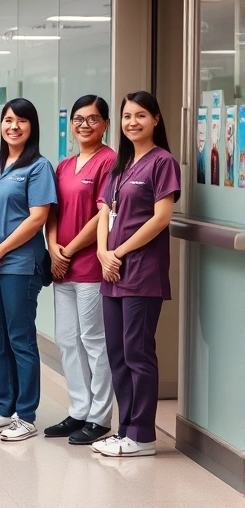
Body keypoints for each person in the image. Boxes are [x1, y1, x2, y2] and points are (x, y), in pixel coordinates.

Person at [92, 91, 180, 458]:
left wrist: (119, 252)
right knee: (117, 353)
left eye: (141, 115)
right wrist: (102, 253)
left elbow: (161, 219)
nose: (132, 122)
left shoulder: (162, 162)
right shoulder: (121, 165)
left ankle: (142, 435)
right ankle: (124, 429)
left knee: (138, 352)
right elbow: (104, 214)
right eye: (127, 116)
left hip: (141, 273)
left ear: (156, 119)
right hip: (112, 272)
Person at [0, 98, 57, 442]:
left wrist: (0, 250)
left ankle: (27, 413)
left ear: (32, 127)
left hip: (19, 265)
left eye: (21, 121)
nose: (13, 126)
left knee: (19, 337)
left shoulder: (38, 167)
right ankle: (4, 408)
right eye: (8, 120)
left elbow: (38, 218)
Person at [44, 95, 116, 445]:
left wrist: (68, 251)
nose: (84, 125)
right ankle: (79, 410)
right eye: (78, 119)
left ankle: (100, 417)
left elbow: (102, 216)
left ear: (104, 124)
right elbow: (52, 212)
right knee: (67, 340)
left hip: (88, 266)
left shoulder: (110, 161)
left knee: (94, 341)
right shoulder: (64, 164)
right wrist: (53, 248)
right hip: (62, 267)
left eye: (92, 119)